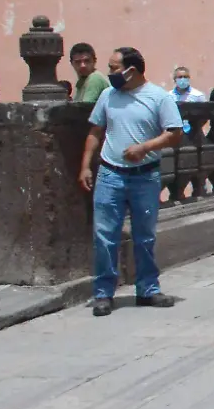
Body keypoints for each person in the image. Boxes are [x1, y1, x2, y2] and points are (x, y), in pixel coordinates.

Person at [78, 47, 183, 317]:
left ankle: (148, 288)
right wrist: (85, 166)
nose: (110, 73)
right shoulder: (107, 96)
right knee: (104, 237)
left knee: (144, 236)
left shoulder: (158, 97)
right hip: (110, 174)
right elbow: (95, 131)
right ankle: (103, 293)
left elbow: (174, 134)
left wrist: (145, 147)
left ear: (130, 70)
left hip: (145, 176)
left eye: (114, 68)